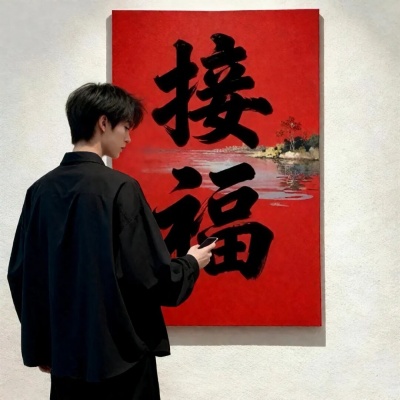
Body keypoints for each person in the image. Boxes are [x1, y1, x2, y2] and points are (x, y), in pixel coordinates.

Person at [7, 82, 216, 399]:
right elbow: (150, 276)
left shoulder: (39, 192)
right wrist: (191, 263)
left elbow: (22, 275)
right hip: (122, 362)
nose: (128, 138)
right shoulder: (120, 188)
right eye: (126, 127)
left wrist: (43, 347)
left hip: (66, 361)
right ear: (103, 123)